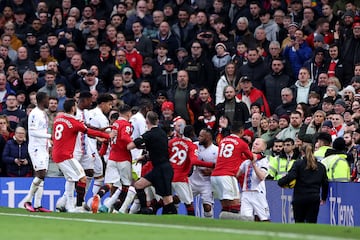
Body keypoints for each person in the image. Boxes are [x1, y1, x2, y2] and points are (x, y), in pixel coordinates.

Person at [52, 99, 112, 213]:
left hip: (57, 154)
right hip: (66, 155)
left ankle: (70, 206)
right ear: (73, 108)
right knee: (82, 178)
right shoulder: (73, 122)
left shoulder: (58, 119)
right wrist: (107, 136)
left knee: (70, 179)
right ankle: (78, 205)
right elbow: (89, 131)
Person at [127, 111, 177, 214]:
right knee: (138, 185)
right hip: (160, 168)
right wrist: (145, 157)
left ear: (146, 121)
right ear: (157, 121)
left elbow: (129, 146)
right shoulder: (162, 133)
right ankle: (144, 209)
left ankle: (172, 216)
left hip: (162, 170)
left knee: (167, 199)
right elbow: (158, 150)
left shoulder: (148, 135)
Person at [92, 104, 133, 214]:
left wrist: (100, 154)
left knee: (109, 183)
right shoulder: (126, 124)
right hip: (124, 158)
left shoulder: (114, 124)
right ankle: (115, 208)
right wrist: (134, 143)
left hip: (112, 158)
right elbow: (124, 137)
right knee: (125, 185)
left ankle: (98, 196)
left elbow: (106, 141)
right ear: (129, 114)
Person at [211, 121, 257, 220]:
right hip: (227, 175)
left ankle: (224, 227)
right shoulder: (242, 143)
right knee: (235, 204)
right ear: (241, 131)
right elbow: (251, 157)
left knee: (225, 204)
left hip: (215, 175)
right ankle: (236, 226)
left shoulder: (223, 141)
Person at [169, 122, 214, 216]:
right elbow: (194, 161)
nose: (199, 137)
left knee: (167, 199)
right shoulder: (192, 145)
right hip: (182, 177)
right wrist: (211, 165)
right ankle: (191, 222)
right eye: (199, 135)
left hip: (170, 175)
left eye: (201, 136)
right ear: (193, 133)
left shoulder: (172, 142)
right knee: (188, 203)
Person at [278, 144, 329, 223]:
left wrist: (281, 182)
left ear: (302, 152)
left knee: (299, 222)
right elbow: (325, 183)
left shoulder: (298, 164)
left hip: (300, 197)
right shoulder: (321, 166)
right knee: (312, 223)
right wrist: (324, 198)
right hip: (314, 197)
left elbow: (291, 176)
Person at [23, 92, 52, 212]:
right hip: (35, 148)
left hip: (43, 147)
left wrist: (49, 143)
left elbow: (43, 130)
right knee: (41, 174)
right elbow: (33, 132)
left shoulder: (43, 113)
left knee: (42, 176)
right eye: (47, 100)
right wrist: (50, 136)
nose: (48, 102)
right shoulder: (34, 113)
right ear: (42, 100)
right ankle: (27, 200)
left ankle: (38, 205)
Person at [238, 138, 270, 221]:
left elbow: (262, 176)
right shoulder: (246, 162)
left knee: (263, 218)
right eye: (254, 143)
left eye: (257, 144)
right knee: (245, 219)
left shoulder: (264, 161)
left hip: (257, 192)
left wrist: (254, 164)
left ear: (263, 148)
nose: (254, 145)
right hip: (246, 192)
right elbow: (237, 174)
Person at [190, 128, 218, 218]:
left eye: (201, 136)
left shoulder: (216, 150)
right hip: (193, 180)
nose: (199, 138)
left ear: (208, 137)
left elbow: (221, 166)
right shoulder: (194, 146)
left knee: (207, 206)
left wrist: (212, 171)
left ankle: (209, 223)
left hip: (207, 183)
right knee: (178, 198)